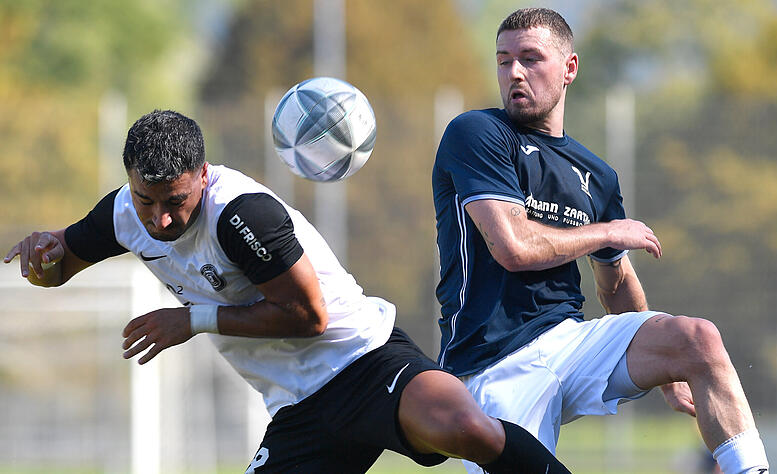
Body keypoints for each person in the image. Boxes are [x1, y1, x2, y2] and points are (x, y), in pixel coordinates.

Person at [4, 110, 569, 473]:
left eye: (174, 201)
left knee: (462, 428)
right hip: (297, 408)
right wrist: (44, 255)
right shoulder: (125, 213)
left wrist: (191, 321)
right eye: (147, 200)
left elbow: (307, 316)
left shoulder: (242, 215)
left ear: (202, 174)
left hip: (365, 361)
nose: (161, 220)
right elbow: (60, 267)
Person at [432, 8, 769, 474]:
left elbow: (614, 285)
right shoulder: (477, 133)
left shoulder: (596, 175)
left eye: (531, 58)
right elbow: (512, 248)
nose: (514, 72)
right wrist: (607, 231)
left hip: (570, 343)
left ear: (569, 68)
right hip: (493, 363)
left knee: (696, 339)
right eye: (504, 59)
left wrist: (669, 373)